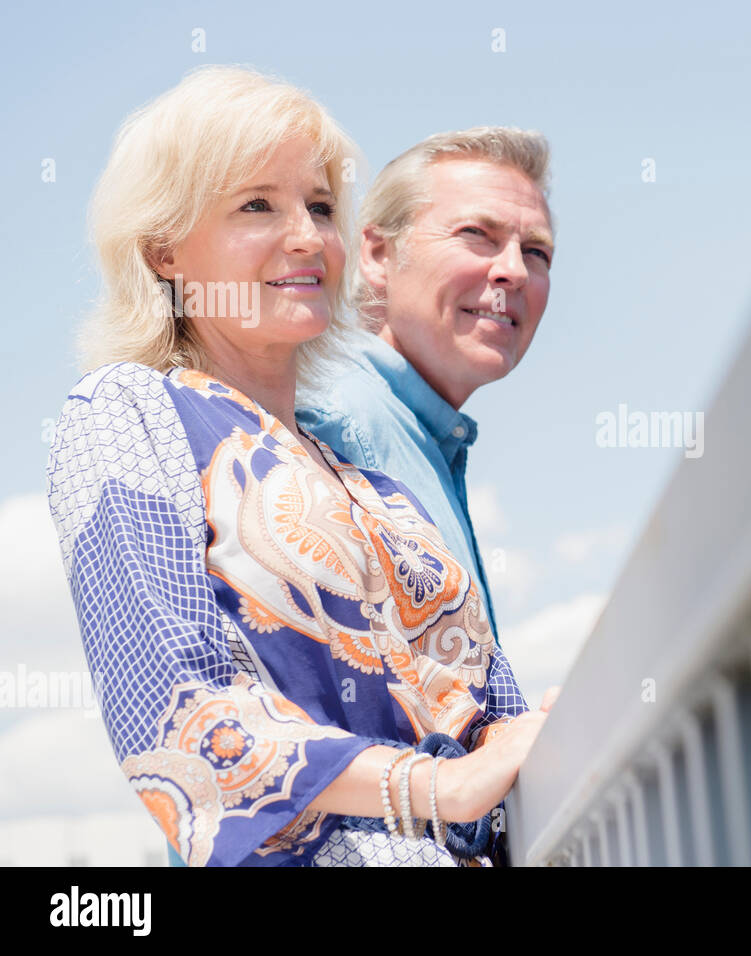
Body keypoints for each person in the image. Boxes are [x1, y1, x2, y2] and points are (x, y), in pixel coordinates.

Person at [46, 65, 555, 867]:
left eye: (320, 207)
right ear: (164, 250)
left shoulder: (376, 490)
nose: (307, 237)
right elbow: (176, 716)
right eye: (258, 205)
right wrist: (435, 789)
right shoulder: (128, 413)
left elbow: (498, 722)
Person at [296, 127, 555, 643]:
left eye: (536, 252)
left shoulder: (421, 438)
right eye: (476, 234)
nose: (514, 271)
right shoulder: (335, 421)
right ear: (376, 256)